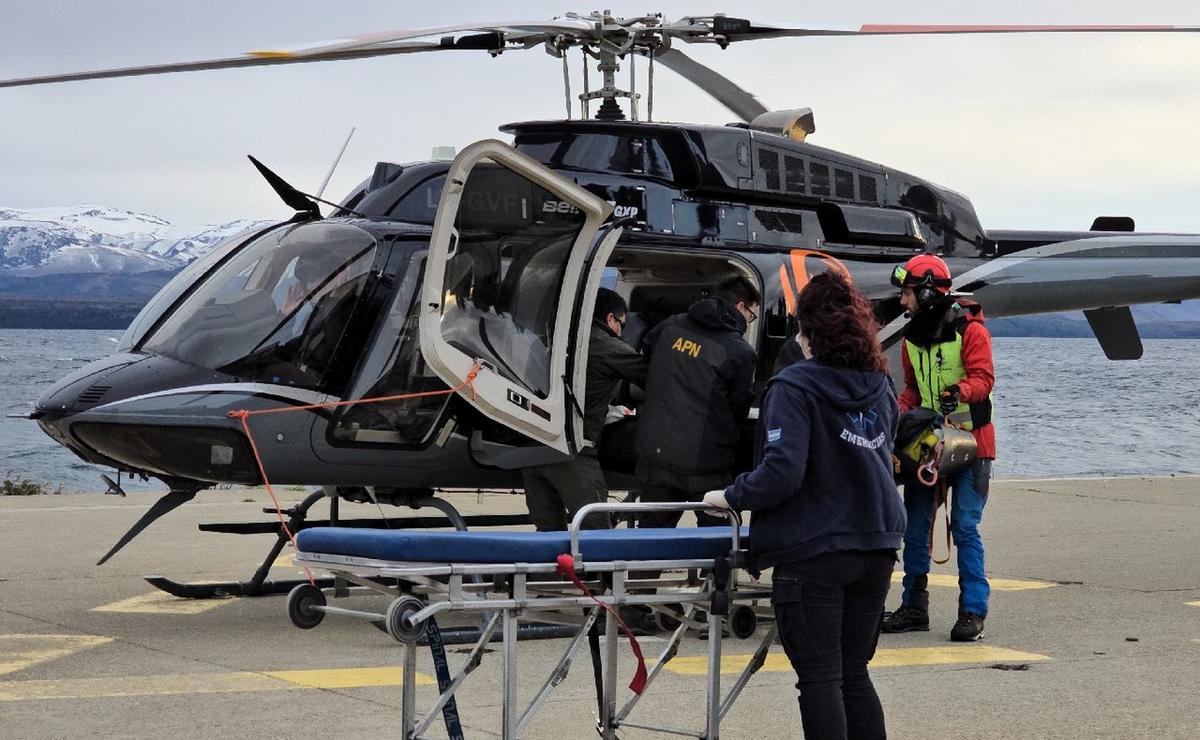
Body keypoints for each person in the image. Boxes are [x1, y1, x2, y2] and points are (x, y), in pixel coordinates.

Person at [704, 270, 904, 740]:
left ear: (807, 330)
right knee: (854, 673)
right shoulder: (879, 384)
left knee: (820, 680)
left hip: (814, 551)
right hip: (875, 545)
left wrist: (731, 496)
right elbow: (885, 450)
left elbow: (782, 471)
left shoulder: (793, 387)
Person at [881, 253, 996, 642]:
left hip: (973, 444)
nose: (903, 300)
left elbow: (984, 378)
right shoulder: (911, 339)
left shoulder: (972, 331)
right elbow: (912, 391)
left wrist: (958, 392)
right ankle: (914, 607)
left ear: (929, 292)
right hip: (929, 447)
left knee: (964, 526)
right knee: (915, 528)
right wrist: (894, 413)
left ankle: (972, 612)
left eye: (907, 293)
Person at [634, 275, 759, 528]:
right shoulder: (739, 351)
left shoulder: (670, 326)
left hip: (656, 459)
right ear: (740, 306)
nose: (749, 321)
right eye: (751, 315)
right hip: (707, 467)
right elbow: (739, 409)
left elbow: (647, 358)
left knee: (650, 541)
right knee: (717, 541)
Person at [520, 288, 647, 531]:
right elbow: (653, 376)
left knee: (547, 537)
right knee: (596, 533)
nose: (622, 331)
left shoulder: (550, 338)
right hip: (571, 452)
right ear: (610, 318)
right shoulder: (607, 345)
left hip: (531, 450)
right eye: (622, 325)